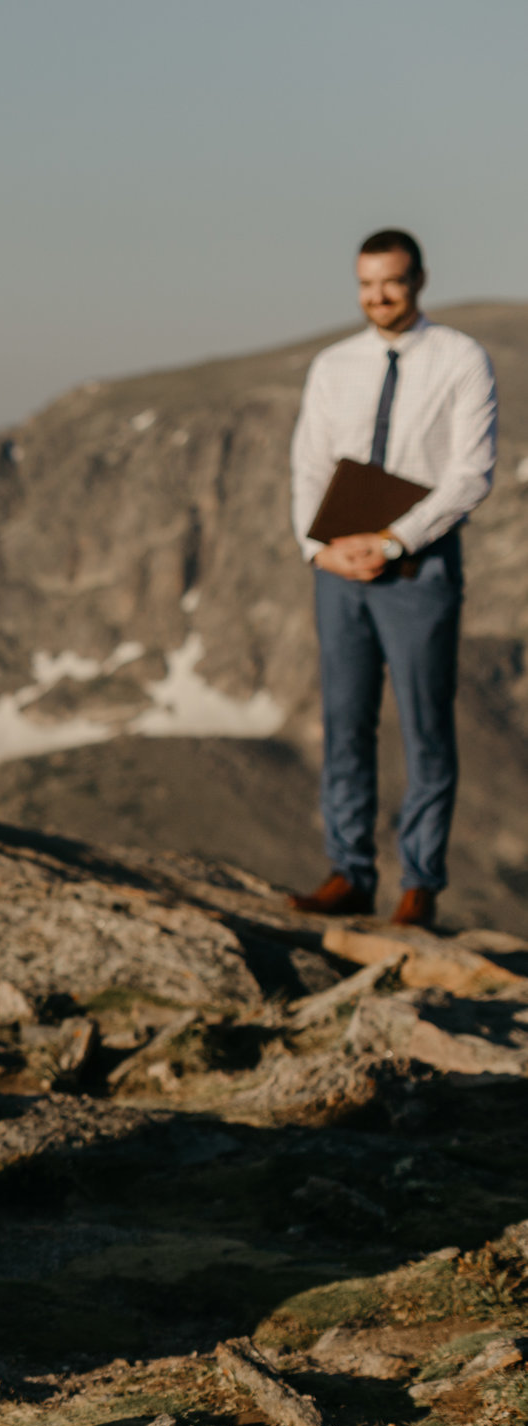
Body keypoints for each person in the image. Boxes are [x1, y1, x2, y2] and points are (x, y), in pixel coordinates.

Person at [287, 228, 496, 928]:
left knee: (425, 727)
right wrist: (318, 548)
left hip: (419, 566)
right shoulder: (332, 365)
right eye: (367, 283)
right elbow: (309, 461)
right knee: (345, 721)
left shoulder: (461, 359)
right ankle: (349, 871)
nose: (378, 296)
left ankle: (419, 883)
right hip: (339, 566)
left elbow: (471, 473)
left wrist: (395, 538)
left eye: (392, 282)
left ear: (420, 279)